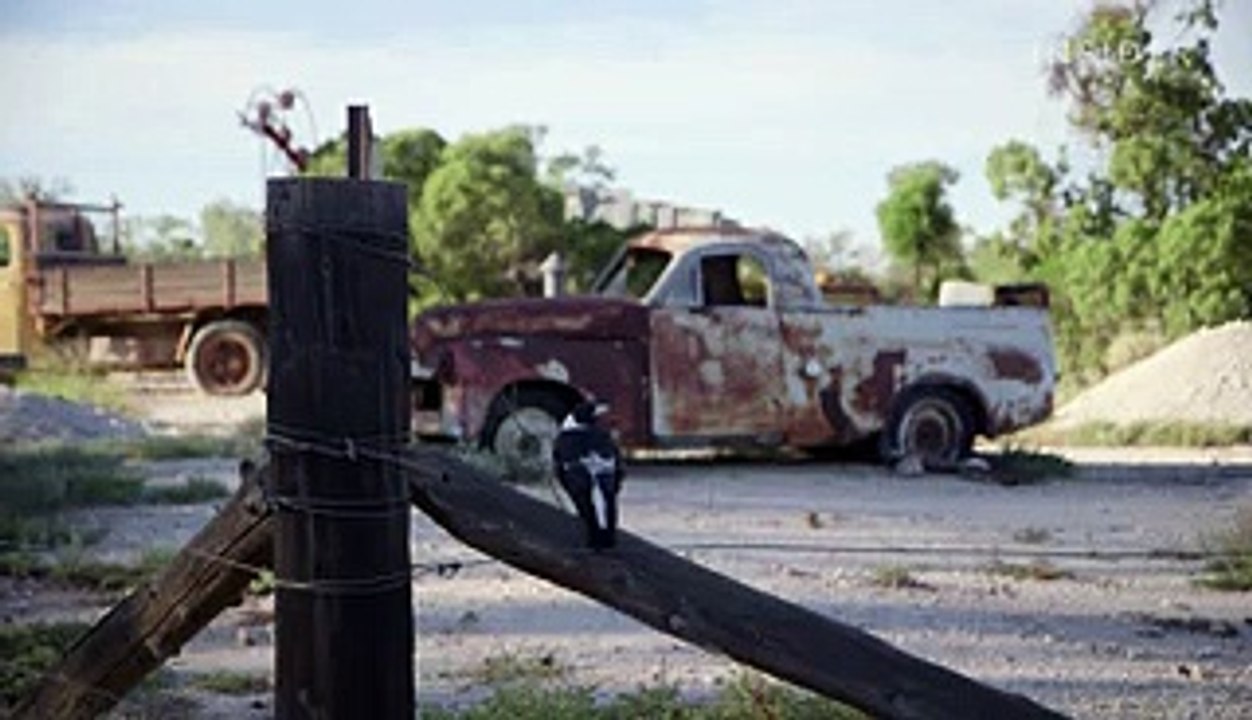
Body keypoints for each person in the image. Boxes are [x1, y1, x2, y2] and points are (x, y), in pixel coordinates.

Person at [552, 401, 623, 549]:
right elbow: (617, 468)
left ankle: (594, 535)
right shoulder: (602, 436)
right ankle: (606, 534)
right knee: (604, 502)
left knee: (588, 509)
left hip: (582, 484)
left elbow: (562, 472)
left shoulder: (564, 440)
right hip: (604, 482)